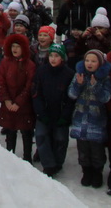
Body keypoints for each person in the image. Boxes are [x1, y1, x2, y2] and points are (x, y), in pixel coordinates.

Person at [69, 49, 111, 189]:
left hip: (96, 120)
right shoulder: (79, 75)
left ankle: (97, 172)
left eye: (93, 61)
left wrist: (95, 86)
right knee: (83, 149)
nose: (90, 63)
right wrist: (78, 84)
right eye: (87, 60)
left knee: (97, 150)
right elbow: (71, 94)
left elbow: (106, 97)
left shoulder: (105, 77)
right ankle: (86, 171)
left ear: (99, 63)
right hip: (80, 118)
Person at [32, 43, 74, 177]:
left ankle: (58, 162)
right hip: (44, 112)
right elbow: (36, 93)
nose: (53, 59)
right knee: (41, 136)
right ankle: (48, 164)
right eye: (51, 55)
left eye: (56, 56)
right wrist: (40, 112)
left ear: (62, 58)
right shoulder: (41, 71)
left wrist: (65, 115)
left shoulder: (69, 74)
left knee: (60, 139)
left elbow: (71, 98)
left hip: (61, 113)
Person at [0, 33, 36, 160]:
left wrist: (19, 102)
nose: (15, 49)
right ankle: (10, 157)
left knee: (26, 132)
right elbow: (0, 82)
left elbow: (30, 85)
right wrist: (6, 100)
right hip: (8, 103)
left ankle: (27, 158)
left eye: (18, 46)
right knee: (10, 130)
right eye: (13, 46)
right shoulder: (5, 63)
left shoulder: (30, 65)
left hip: (24, 105)